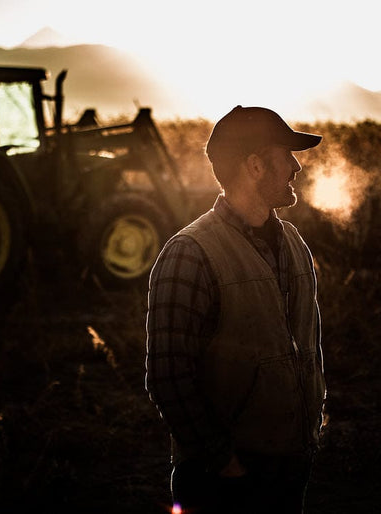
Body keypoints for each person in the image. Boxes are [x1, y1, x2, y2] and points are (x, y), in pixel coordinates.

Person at [145, 106, 326, 514]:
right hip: (223, 480)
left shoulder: (294, 242)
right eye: (287, 155)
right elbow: (168, 375)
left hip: (290, 465)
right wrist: (222, 461)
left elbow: (303, 345)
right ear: (256, 165)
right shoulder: (189, 254)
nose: (297, 166)